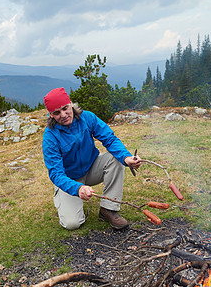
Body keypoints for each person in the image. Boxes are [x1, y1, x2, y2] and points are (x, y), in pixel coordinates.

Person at [42, 87, 141, 230]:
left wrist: (126, 158)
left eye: (65, 108)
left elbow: (110, 139)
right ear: (51, 115)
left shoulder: (87, 118)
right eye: (57, 113)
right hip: (70, 179)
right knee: (72, 224)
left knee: (115, 158)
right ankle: (69, 200)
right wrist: (78, 188)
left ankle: (109, 209)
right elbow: (56, 174)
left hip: (92, 168)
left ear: (70, 104)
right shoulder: (50, 137)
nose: (63, 115)